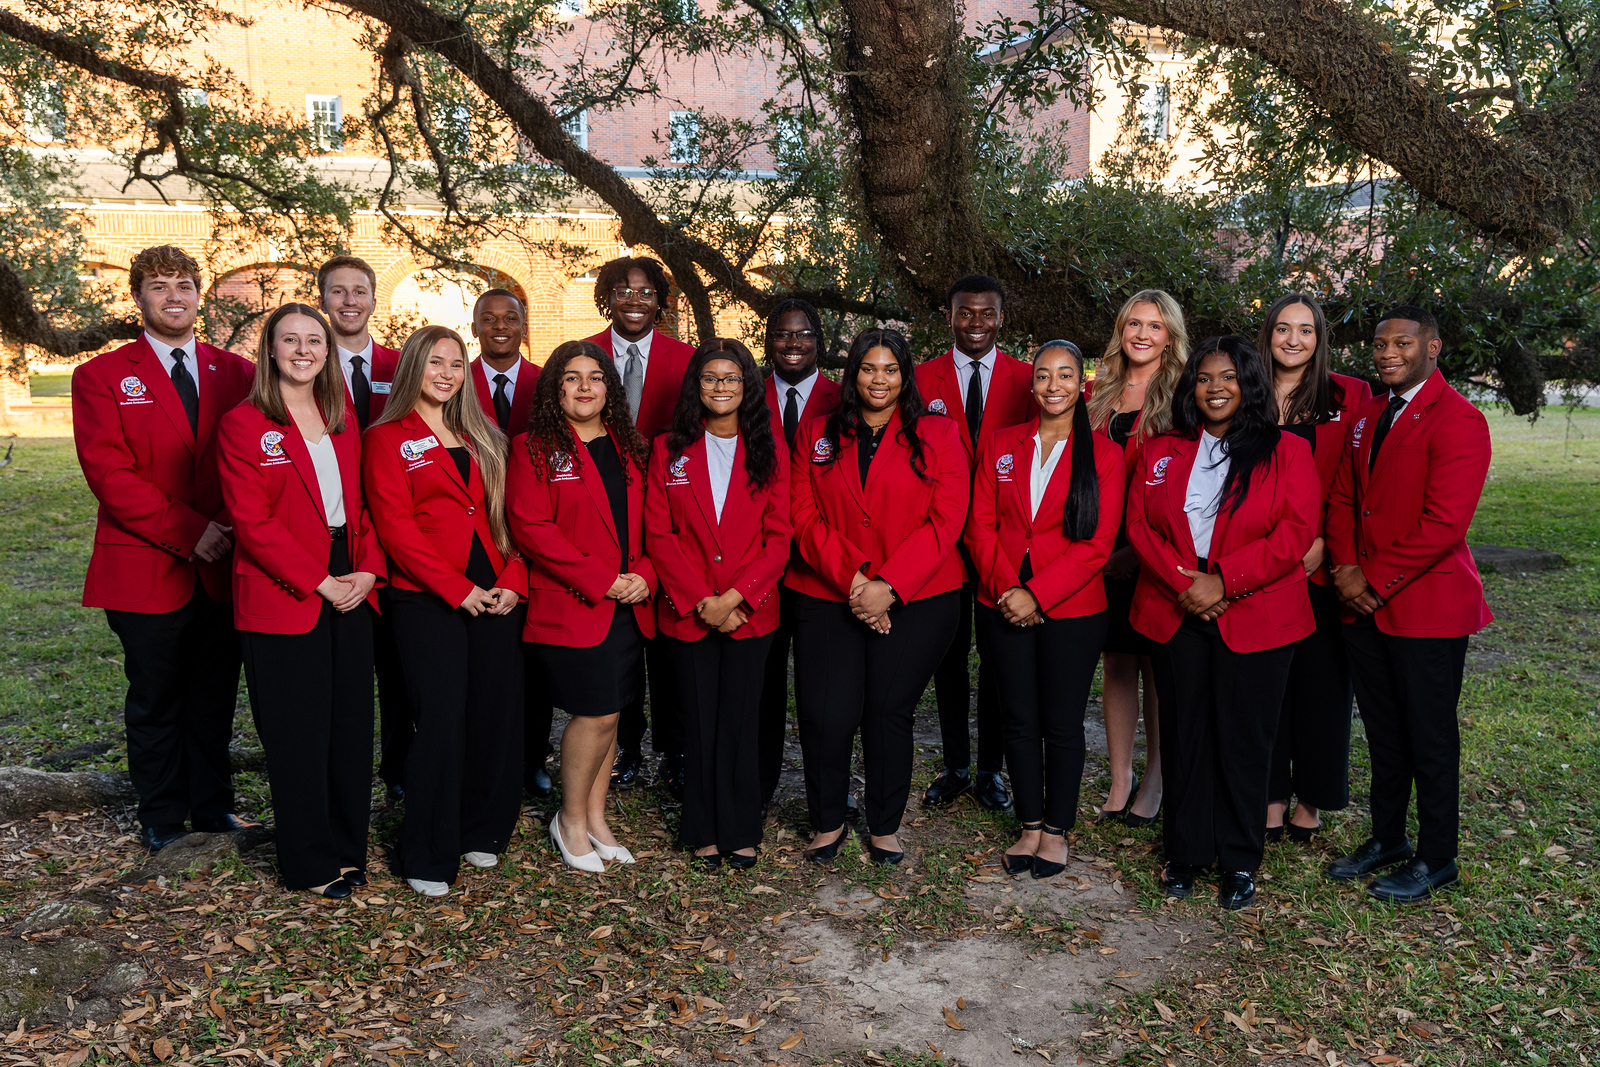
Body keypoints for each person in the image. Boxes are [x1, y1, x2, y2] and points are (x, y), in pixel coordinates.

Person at [72, 244, 257, 853]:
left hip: (222, 562)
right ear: (137, 297)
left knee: (213, 694)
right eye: (159, 286)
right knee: (156, 697)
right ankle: (161, 814)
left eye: (184, 285)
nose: (173, 297)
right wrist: (190, 532)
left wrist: (223, 529)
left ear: (199, 295)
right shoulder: (101, 376)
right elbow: (110, 473)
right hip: (145, 564)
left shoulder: (237, 373)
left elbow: (252, 461)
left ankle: (213, 806)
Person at [1126, 335, 1318, 910]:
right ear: (1191, 387)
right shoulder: (1162, 449)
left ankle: (1239, 859)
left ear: (1249, 383)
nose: (1215, 388)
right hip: (1177, 608)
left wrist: (1224, 581)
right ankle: (1185, 851)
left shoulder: (1288, 451)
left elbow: (1295, 532)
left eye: (1229, 377)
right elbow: (1139, 525)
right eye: (1205, 378)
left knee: (1244, 740)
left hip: (1257, 612)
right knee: (1184, 735)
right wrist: (1186, 584)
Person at [1325, 306, 1493, 903]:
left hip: (1426, 607)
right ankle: (1388, 838)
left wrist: (1369, 577)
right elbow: (1345, 497)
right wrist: (1346, 571)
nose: (1388, 353)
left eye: (1402, 343)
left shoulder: (1460, 419)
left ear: (1433, 348)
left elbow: (1444, 523)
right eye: (1380, 344)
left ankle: (1438, 857)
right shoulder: (1369, 413)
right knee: (1383, 731)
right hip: (1362, 604)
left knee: (1429, 736)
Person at [217, 303, 383, 898]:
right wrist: (320, 581)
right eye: (291, 340)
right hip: (284, 587)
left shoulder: (343, 418)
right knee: (297, 731)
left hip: (350, 577)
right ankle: (310, 863)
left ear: (328, 351)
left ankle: (347, 847)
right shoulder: (243, 424)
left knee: (349, 726)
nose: (303, 350)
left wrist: (368, 570)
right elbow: (253, 523)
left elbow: (365, 503)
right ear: (271, 349)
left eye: (314, 340)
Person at [789, 328, 967, 866]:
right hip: (829, 591)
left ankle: (884, 825)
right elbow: (802, 514)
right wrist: (855, 582)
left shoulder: (939, 433)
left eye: (891, 369)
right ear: (853, 373)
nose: (879, 379)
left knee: (888, 709)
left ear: (905, 376)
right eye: (869, 368)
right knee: (827, 712)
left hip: (919, 593)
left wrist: (887, 587)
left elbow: (947, 519)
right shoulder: (816, 432)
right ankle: (827, 821)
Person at [363, 326, 526, 896]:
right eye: (435, 362)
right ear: (414, 366)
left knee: (493, 712)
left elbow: (512, 517)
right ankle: (427, 851)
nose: (447, 374)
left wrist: (514, 580)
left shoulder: (483, 434)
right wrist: (457, 589)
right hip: (427, 595)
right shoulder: (385, 438)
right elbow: (395, 527)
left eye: (456, 364)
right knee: (440, 718)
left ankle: (480, 827)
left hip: (496, 589)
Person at [965, 340, 1123, 879]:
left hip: (1072, 609)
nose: (1053, 385)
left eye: (1065, 375)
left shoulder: (1104, 454)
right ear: (1031, 384)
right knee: (1017, 718)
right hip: (1000, 600)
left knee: (1061, 723)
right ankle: (1029, 825)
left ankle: (1056, 831)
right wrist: (1009, 589)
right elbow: (979, 525)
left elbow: (1097, 545)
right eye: (1043, 375)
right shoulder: (1002, 443)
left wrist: (1038, 595)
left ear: (1083, 383)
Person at [507, 340, 657, 873]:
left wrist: (645, 576)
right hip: (575, 603)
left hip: (628, 603)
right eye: (572, 377)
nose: (586, 386)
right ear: (555, 388)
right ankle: (568, 819)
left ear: (609, 388)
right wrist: (603, 581)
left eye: (596, 376)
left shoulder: (632, 447)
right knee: (595, 712)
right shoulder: (532, 447)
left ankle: (595, 815)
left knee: (614, 713)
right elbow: (531, 528)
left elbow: (655, 524)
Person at [646, 339, 791, 869]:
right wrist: (700, 601)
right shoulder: (667, 449)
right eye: (710, 378)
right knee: (698, 721)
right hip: (689, 610)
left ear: (748, 386)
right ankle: (703, 828)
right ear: (696, 385)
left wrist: (735, 598)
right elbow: (659, 534)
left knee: (742, 720)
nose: (721, 387)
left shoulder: (771, 449)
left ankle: (741, 827)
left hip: (750, 611)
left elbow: (779, 536)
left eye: (732, 378)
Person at [914, 274, 1034, 814]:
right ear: (949, 316)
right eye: (965, 312)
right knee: (948, 654)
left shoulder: (1028, 379)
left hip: (1000, 542)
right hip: (940, 541)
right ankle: (956, 765)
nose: (976, 323)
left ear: (1001, 318)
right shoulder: (920, 378)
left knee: (997, 657)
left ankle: (990, 768)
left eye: (987, 313)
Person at [1256, 294, 1373, 844]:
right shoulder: (1246, 389)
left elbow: (1355, 477)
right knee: (1267, 684)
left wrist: (1325, 539)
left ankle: (1312, 799)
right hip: (1258, 559)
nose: (1294, 339)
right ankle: (1271, 795)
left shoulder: (1350, 395)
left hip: (1320, 560)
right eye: (1283, 328)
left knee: (1323, 685)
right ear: (1269, 334)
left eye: (1306, 330)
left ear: (1320, 338)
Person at [584, 255, 694, 795]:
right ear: (608, 296)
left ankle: (675, 751)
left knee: (669, 641)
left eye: (646, 291)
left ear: (660, 301)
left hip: (672, 508)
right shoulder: (584, 354)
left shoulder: (687, 359)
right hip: (607, 510)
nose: (634, 300)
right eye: (623, 290)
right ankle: (625, 746)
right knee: (619, 637)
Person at [1085, 289, 1189, 826]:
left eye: (1154, 326)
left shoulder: (1183, 395)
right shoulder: (1097, 391)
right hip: (1100, 551)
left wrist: (1134, 550)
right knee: (1117, 663)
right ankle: (1121, 777)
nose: (1142, 334)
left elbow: (1182, 486)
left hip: (1153, 550)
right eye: (1134, 323)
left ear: (1170, 336)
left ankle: (1156, 780)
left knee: (1156, 666)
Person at [317, 255, 411, 803]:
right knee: (342, 670)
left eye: (359, 291)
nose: (350, 301)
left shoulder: (403, 365)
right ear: (323, 300)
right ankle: (339, 774)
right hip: (335, 536)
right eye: (338, 291)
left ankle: (399, 769)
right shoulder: (305, 362)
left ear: (375, 300)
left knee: (399, 665)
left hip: (399, 531)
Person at [465, 288, 552, 800]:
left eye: (510, 318)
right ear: (475, 325)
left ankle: (532, 757)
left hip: (536, 528)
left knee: (532, 656)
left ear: (524, 325)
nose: (500, 326)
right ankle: (480, 755)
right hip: (476, 531)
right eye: (489, 318)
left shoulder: (547, 382)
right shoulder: (456, 379)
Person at [757, 299, 842, 813]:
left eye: (804, 334)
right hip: (760, 566)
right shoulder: (747, 393)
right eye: (783, 334)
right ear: (768, 341)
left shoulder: (843, 397)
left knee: (822, 695)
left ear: (819, 341)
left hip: (820, 568)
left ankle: (826, 795)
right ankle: (758, 787)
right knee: (763, 686)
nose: (793, 343)